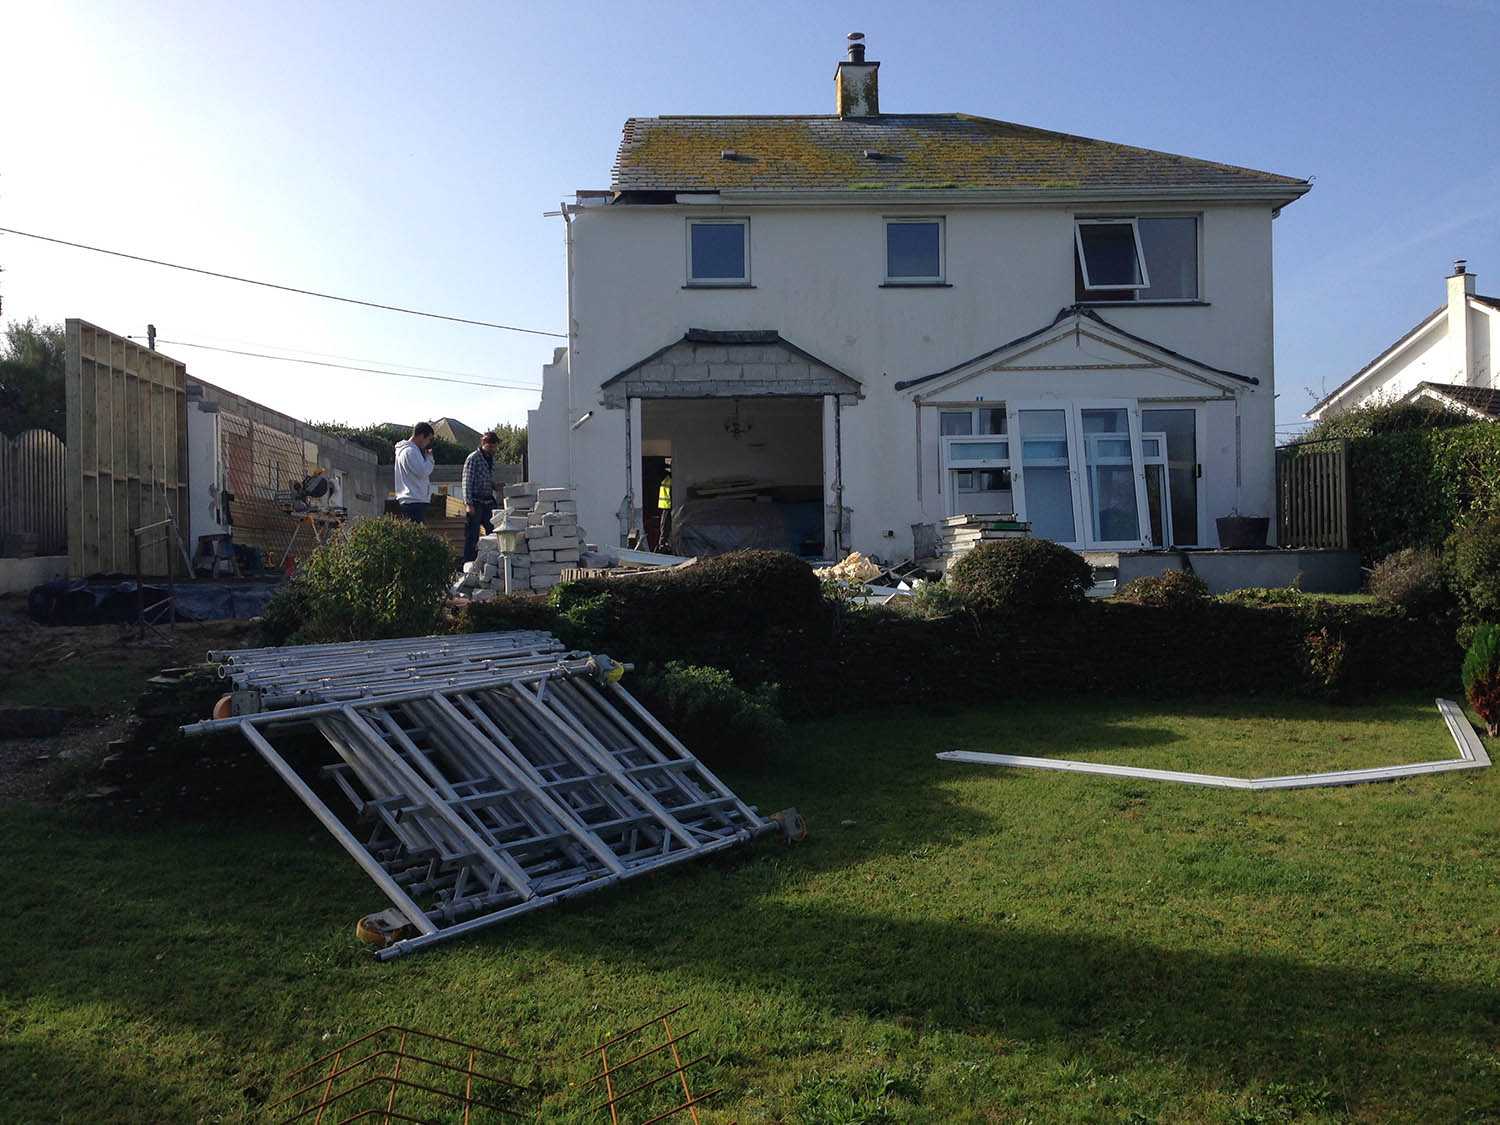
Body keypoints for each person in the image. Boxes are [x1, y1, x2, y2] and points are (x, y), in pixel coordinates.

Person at [461, 430, 499, 563]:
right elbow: (467, 481)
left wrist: (495, 486)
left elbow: (485, 478)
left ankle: (490, 562)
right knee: (472, 535)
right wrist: (468, 504)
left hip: (488, 501)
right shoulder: (474, 458)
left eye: (494, 446)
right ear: (483, 443)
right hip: (476, 501)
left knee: (493, 532)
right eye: (490, 446)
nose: (493, 449)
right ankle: (468, 564)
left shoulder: (490, 459)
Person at [393, 422, 435, 523]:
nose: (428, 443)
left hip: (410, 499)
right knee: (418, 536)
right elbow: (423, 471)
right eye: (428, 439)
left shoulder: (404, 451)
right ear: (421, 436)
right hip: (415, 500)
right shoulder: (410, 451)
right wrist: (429, 458)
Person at [656, 457, 673, 551]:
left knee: (665, 528)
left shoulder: (668, 477)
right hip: (667, 507)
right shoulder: (667, 476)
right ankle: (662, 546)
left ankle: (663, 546)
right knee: (664, 528)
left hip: (669, 507)